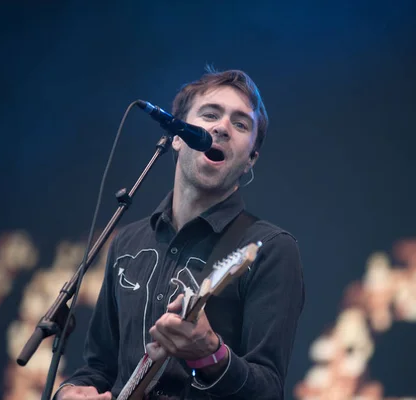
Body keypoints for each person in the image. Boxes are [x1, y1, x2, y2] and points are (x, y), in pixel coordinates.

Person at [55, 67, 305, 400]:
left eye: (241, 123)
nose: (222, 127)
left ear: (250, 160)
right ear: (177, 135)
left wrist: (211, 354)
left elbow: (268, 391)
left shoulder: (271, 249)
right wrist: (69, 393)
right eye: (210, 114)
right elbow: (99, 368)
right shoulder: (127, 242)